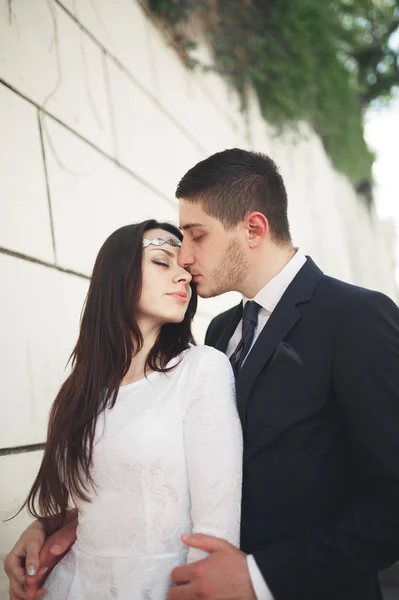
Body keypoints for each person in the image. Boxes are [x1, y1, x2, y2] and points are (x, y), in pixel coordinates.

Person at [6, 149, 399, 600]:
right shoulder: (221, 330)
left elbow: (392, 501)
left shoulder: (356, 317)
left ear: (253, 229)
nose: (186, 259)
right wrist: (63, 526)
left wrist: (259, 576)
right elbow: (183, 471)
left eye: (196, 236)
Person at [4, 219, 243, 600]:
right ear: (118, 275)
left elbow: (215, 531)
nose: (183, 276)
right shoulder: (79, 392)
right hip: (73, 585)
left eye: (184, 267)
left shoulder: (201, 369)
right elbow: (99, 504)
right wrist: (43, 528)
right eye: (162, 262)